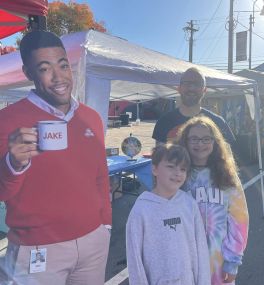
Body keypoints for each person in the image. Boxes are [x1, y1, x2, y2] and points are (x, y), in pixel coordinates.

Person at [0, 30, 111, 285]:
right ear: (29, 74)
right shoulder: (7, 122)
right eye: (44, 68)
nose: (58, 76)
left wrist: (105, 226)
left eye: (63, 65)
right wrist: (13, 164)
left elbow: (100, 176)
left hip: (93, 243)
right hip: (36, 250)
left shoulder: (91, 117)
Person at [176, 116, 249, 285]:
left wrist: (232, 261)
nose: (200, 144)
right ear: (185, 141)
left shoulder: (227, 177)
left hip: (218, 262)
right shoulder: (177, 175)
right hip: (184, 260)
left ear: (215, 142)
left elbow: (240, 221)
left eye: (206, 139)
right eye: (194, 138)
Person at [126, 144, 211, 285]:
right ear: (154, 169)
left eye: (183, 169)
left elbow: (201, 249)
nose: (178, 173)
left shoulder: (189, 204)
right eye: (171, 166)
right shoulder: (141, 209)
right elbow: (134, 259)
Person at [152, 67, 235, 147]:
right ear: (179, 89)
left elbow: (228, 158)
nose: (191, 87)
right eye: (187, 83)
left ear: (204, 90)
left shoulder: (218, 123)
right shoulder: (163, 122)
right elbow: (159, 159)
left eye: (197, 84)